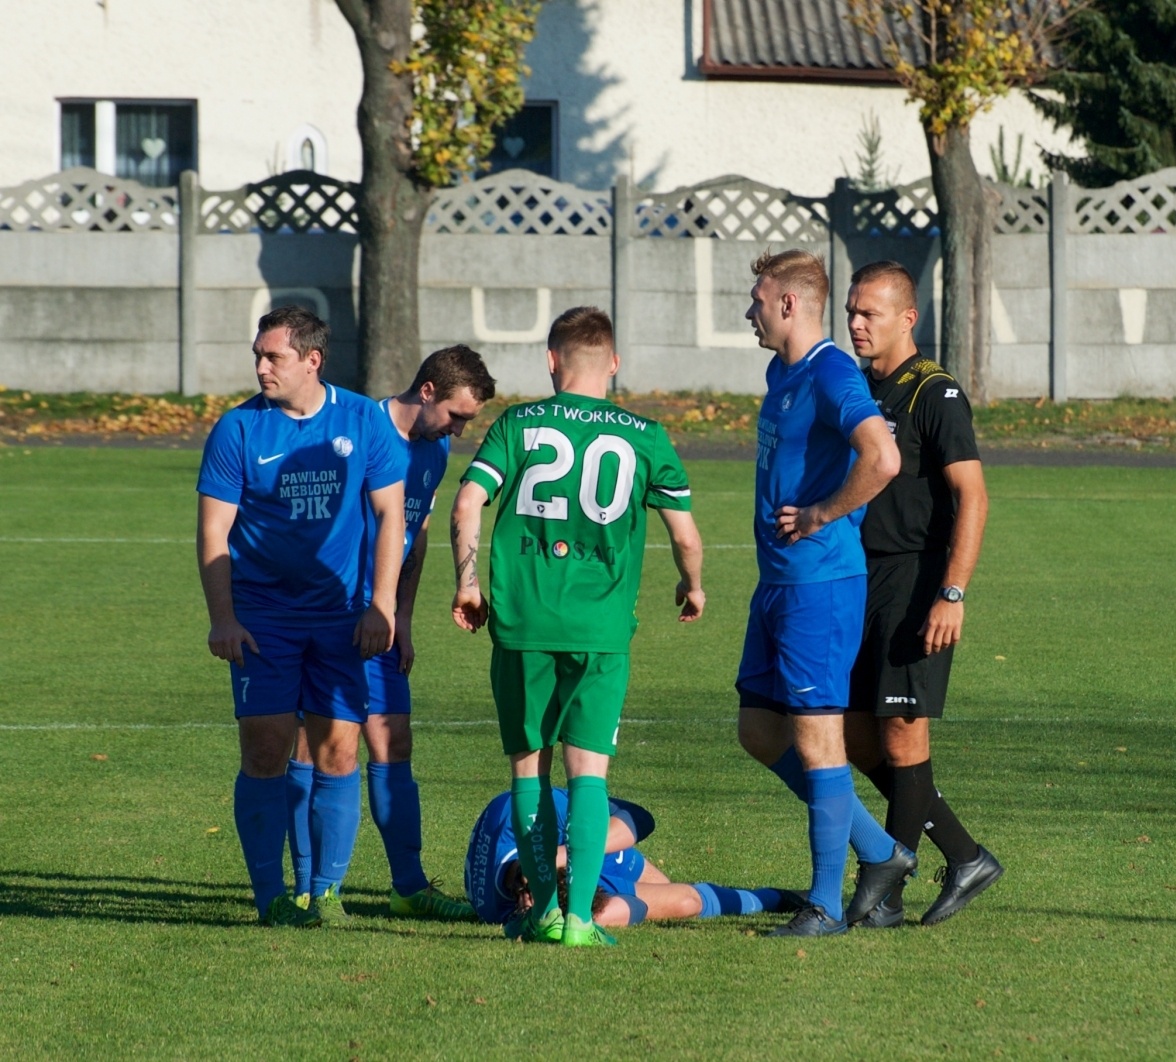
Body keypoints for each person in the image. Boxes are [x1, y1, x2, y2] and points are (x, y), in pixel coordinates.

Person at [450, 306, 705, 948]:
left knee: (528, 768)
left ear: (551, 361)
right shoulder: (646, 436)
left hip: (523, 621)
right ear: (613, 365)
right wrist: (692, 583)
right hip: (602, 628)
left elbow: (468, 501)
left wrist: (469, 581)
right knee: (589, 770)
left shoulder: (519, 424)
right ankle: (582, 922)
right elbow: (685, 535)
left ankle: (542, 914)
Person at [196, 305, 407, 927]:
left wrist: (382, 604)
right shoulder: (237, 430)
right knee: (264, 749)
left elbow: (391, 516)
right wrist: (223, 618)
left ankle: (327, 893)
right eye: (258, 355)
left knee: (339, 751)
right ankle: (271, 899)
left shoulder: (363, 419)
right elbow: (214, 532)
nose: (261, 366)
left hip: (342, 617)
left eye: (273, 357)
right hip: (262, 619)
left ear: (312, 360)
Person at [733, 249, 912, 938]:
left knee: (817, 741)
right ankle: (878, 851)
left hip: (820, 586)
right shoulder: (780, 370)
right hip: (777, 583)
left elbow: (883, 456)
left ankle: (825, 905)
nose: (748, 311)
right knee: (757, 731)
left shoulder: (832, 370)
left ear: (787, 304)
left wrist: (821, 514)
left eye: (756, 299)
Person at [285, 345, 497, 920]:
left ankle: (408, 886)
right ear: (427, 391)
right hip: (332, 614)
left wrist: (401, 617)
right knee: (319, 744)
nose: (460, 428)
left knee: (393, 744)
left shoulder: (435, 449)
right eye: (456, 415)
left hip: (381, 620)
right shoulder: (357, 429)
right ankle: (308, 886)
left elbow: (417, 529)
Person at [842, 261, 1003, 928]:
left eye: (868, 313)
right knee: (856, 738)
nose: (855, 323)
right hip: (860, 580)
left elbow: (973, 495)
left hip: (914, 583)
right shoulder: (857, 387)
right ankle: (963, 855)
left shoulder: (934, 395)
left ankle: (886, 896)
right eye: (851, 310)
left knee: (905, 739)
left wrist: (952, 592)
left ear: (906, 318)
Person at [464, 790, 804, 929]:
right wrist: (591, 918)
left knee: (671, 891)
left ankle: (777, 898)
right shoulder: (501, 911)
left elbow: (639, 817)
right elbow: (634, 908)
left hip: (582, 844)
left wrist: (570, 853)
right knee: (684, 901)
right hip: (569, 863)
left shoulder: (523, 813)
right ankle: (773, 898)